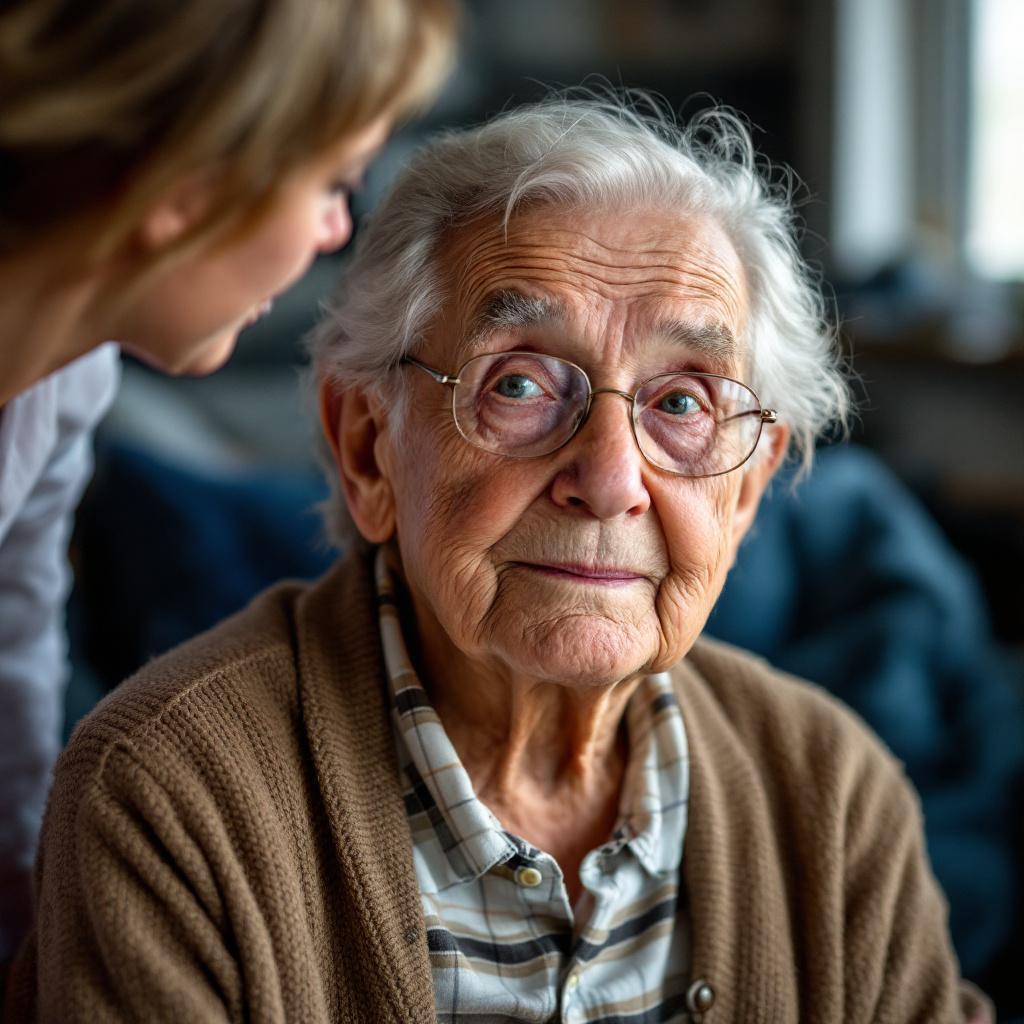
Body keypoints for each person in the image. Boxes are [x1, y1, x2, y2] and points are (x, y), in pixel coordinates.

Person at [5, 96, 993, 1022]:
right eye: (518, 382)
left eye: (683, 401)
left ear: (744, 490)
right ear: (367, 447)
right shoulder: (171, 797)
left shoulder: (835, 798)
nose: (609, 480)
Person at [0, 0, 455, 964]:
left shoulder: (71, 374)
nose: (338, 230)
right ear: (187, 186)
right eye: (332, 181)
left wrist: (40, 936)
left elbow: (15, 658)